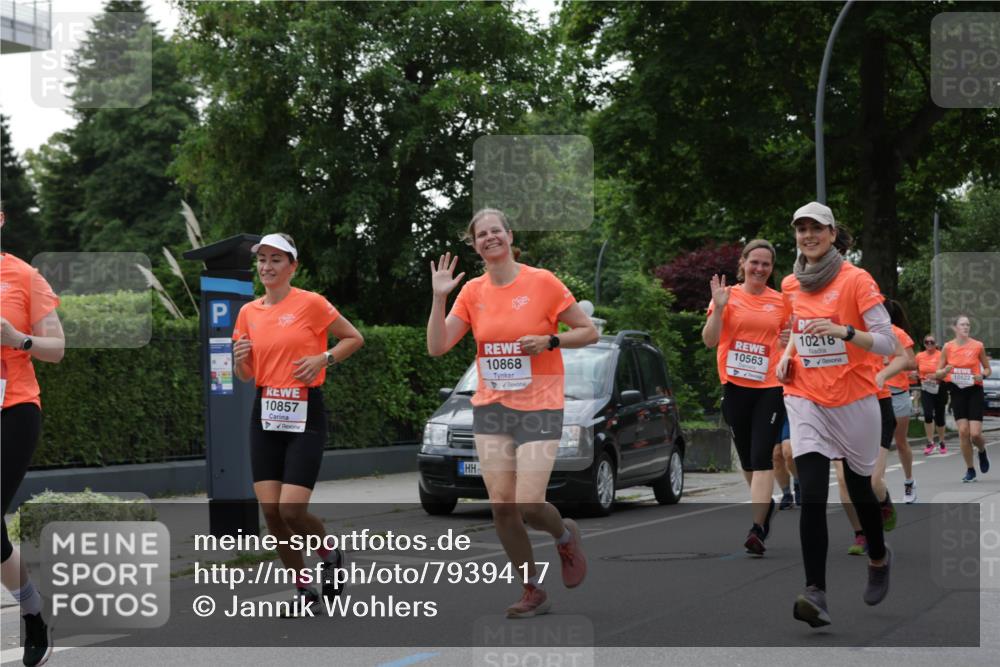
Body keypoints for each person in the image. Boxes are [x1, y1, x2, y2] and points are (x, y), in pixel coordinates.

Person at [426, 208, 599, 618]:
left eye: (496, 231)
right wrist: (439, 297)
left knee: (529, 503)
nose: (490, 238)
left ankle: (563, 535)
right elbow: (437, 346)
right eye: (481, 234)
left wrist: (550, 340)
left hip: (540, 404)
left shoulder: (542, 282)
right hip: (492, 406)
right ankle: (533, 589)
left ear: (509, 235)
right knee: (502, 505)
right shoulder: (472, 293)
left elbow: (589, 331)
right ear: (475, 245)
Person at [776, 201, 897, 628]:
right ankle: (816, 592)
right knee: (812, 491)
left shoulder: (856, 280)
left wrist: (845, 332)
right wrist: (787, 355)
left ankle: (879, 558)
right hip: (806, 396)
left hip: (855, 398)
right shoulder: (791, 283)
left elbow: (887, 344)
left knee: (861, 487)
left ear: (831, 234)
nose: (807, 236)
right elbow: (796, 330)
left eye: (815, 229)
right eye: (800, 229)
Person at [232, 233, 364, 616]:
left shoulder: (311, 303)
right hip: (266, 412)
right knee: (271, 513)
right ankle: (305, 589)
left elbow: (353, 338)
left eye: (276, 260)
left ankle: (330, 554)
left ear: (293, 266)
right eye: (262, 260)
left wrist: (323, 359)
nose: (267, 267)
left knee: (291, 510)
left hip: (305, 411)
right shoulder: (248, 313)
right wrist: (240, 358)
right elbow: (244, 375)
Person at [1, 205, 66, 666]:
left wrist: (16, 336)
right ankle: (34, 608)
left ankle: (32, 612)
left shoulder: (23, 275)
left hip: (14, 409)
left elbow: (56, 348)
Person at [702, 239, 791, 555]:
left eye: (766, 264)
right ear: (743, 263)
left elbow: (789, 342)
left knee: (763, 454)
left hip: (769, 387)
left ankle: (758, 529)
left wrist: (788, 339)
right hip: (735, 386)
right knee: (747, 458)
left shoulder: (781, 301)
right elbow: (710, 340)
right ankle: (765, 508)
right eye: (755, 262)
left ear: (771, 268)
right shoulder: (728, 297)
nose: (760, 268)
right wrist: (720, 307)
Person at [935, 314, 992, 482]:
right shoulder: (947, 347)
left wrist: (983, 375)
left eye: (968, 325)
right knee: (963, 432)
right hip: (957, 390)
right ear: (955, 328)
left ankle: (981, 451)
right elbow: (938, 371)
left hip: (974, 390)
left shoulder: (977, 346)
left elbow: (988, 369)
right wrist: (944, 372)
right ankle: (970, 469)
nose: (966, 327)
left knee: (975, 434)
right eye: (962, 325)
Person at [879, 300, 918, 504]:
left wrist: (891, 362)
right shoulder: (867, 334)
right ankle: (880, 489)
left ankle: (909, 482)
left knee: (901, 442)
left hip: (898, 394)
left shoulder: (898, 333)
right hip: (876, 394)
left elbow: (912, 362)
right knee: (879, 445)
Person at [915, 334, 947, 455]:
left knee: (939, 416)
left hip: (940, 387)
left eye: (931, 342)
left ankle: (942, 441)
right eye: (926, 342)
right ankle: (930, 442)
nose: (929, 344)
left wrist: (936, 376)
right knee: (928, 414)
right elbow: (917, 369)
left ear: (936, 344)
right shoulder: (919, 356)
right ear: (924, 344)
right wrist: (917, 375)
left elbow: (946, 372)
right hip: (926, 387)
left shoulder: (941, 355)